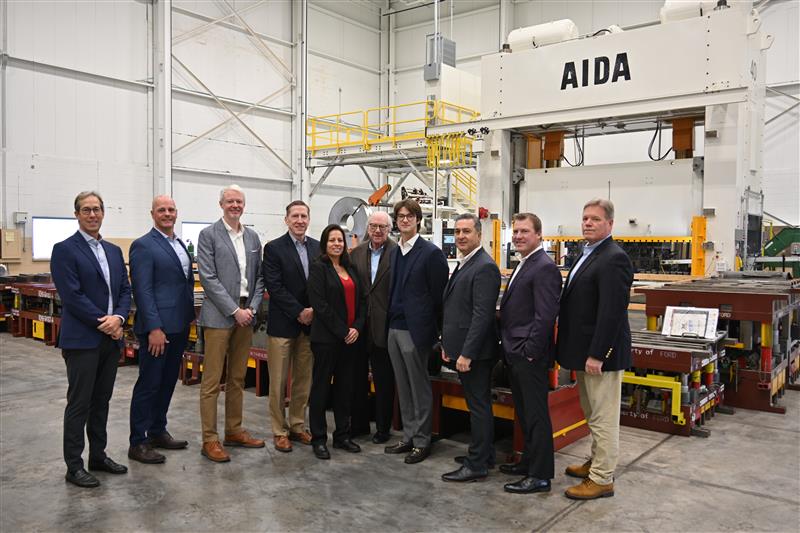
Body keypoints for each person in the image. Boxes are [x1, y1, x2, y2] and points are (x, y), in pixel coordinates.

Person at [51, 191, 132, 488]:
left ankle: (98, 456)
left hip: (110, 339)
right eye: (86, 210)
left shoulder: (113, 251)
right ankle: (74, 466)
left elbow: (125, 290)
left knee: (101, 402)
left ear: (103, 212)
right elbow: (72, 296)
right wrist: (106, 323)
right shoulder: (64, 250)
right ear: (77, 214)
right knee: (79, 403)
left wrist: (119, 318)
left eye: (97, 209)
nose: (92, 214)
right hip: (82, 340)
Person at [557, 198, 633, 500]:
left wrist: (598, 354)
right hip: (584, 351)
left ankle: (602, 478)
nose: (588, 223)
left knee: (603, 417)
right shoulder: (588, 252)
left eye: (596, 219)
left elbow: (612, 312)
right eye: (586, 218)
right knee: (592, 414)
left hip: (600, 357)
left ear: (610, 224)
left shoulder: (614, 258)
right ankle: (596, 462)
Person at [196, 184, 266, 462]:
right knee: (212, 380)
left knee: (237, 378)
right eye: (230, 201)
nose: (235, 205)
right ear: (221, 204)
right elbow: (208, 278)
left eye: (239, 201)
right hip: (219, 316)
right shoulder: (208, 235)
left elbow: (259, 278)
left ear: (243, 205)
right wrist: (234, 310)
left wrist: (252, 308)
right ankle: (209, 439)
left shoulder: (252, 238)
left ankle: (234, 430)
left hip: (246, 315)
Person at [127, 196, 195, 464]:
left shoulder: (179, 243)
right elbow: (142, 290)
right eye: (161, 210)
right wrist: (154, 327)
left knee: (167, 382)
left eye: (171, 210)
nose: (167, 214)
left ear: (176, 213)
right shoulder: (143, 245)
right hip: (158, 330)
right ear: (152, 214)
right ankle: (138, 441)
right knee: (149, 383)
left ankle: (157, 431)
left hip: (179, 325)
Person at [498, 213, 562, 494]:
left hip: (528, 356)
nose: (518, 236)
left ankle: (540, 475)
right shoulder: (525, 263)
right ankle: (528, 462)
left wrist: (530, 352)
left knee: (536, 416)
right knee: (525, 413)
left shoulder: (544, 267)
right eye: (515, 231)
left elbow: (545, 317)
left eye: (524, 231)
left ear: (538, 235)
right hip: (516, 352)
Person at [384, 199, 449, 464]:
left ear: (418, 220)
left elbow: (439, 297)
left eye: (410, 216)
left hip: (415, 331)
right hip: (394, 328)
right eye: (400, 216)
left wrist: (435, 333)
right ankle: (409, 436)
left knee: (418, 386)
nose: (404, 220)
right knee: (403, 385)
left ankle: (422, 441)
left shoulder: (431, 253)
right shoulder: (394, 251)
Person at [440, 213, 501, 483]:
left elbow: (482, 316)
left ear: (479, 234)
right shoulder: (466, 263)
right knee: (477, 404)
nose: (461, 236)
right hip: (462, 348)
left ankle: (477, 464)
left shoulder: (484, 266)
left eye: (466, 231)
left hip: (476, 354)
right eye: (457, 231)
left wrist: (467, 353)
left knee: (478, 406)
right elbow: (456, 309)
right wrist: (448, 345)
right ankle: (484, 455)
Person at [262, 200, 320, 453]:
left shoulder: (318, 247)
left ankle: (297, 425)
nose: (299, 220)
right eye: (295, 216)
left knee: (303, 380)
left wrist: (314, 310)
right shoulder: (274, 248)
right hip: (283, 325)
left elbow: (323, 283)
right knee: (277, 382)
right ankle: (279, 430)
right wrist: (299, 312)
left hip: (310, 326)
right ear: (286, 220)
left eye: (303, 216)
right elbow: (274, 286)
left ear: (309, 219)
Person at [306, 225, 366, 459]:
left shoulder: (350, 268)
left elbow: (362, 302)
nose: (337, 244)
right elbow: (320, 305)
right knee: (321, 389)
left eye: (340, 240)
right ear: (325, 243)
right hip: (326, 339)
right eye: (332, 240)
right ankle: (319, 438)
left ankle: (342, 436)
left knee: (345, 389)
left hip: (350, 340)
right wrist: (343, 331)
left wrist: (357, 328)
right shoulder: (318, 268)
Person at [349, 211, 398, 444]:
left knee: (384, 380)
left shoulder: (398, 252)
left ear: (389, 229)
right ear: (367, 228)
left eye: (382, 227)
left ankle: (382, 428)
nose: (377, 231)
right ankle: (359, 425)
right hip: (359, 325)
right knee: (357, 378)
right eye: (373, 226)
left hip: (385, 325)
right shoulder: (356, 253)